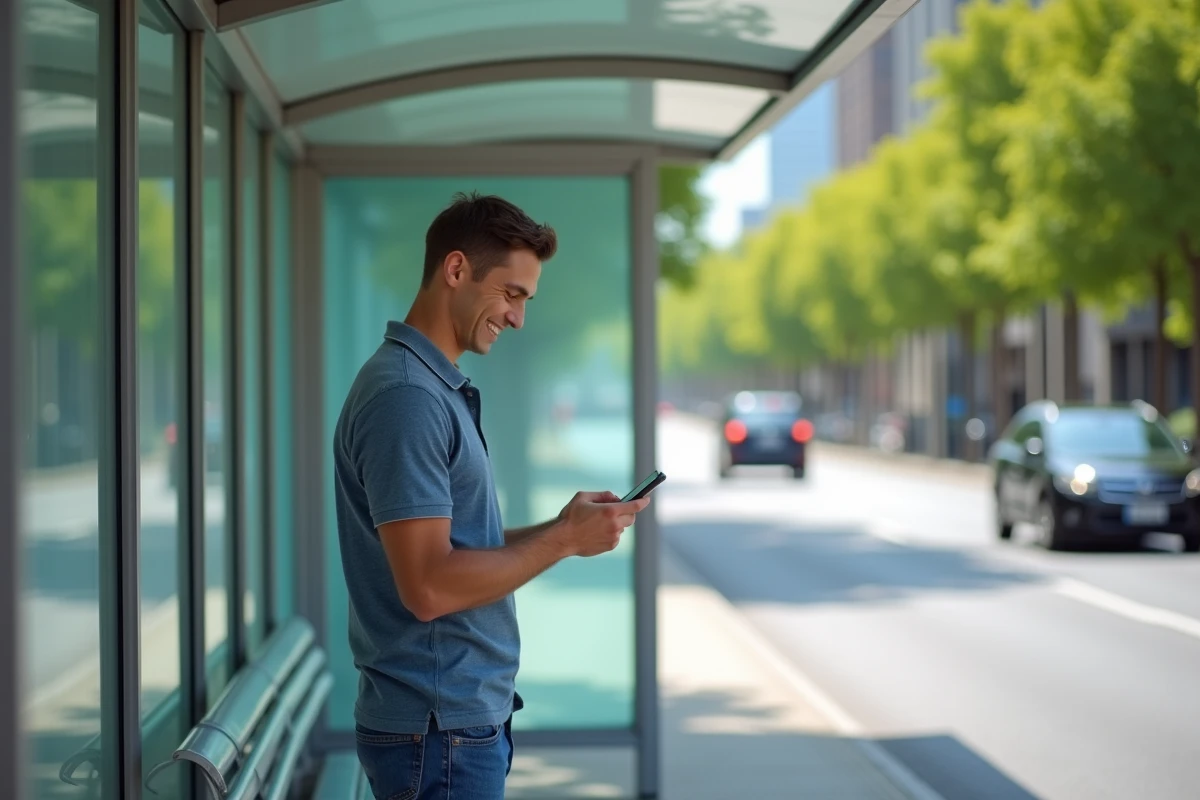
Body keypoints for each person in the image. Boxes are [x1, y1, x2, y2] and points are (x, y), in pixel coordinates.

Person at [332, 192, 651, 800]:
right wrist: (563, 542)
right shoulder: (408, 398)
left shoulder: (426, 388)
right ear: (456, 269)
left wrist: (562, 528)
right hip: (439, 730)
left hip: (447, 726)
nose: (519, 318)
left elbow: (454, 546)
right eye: (512, 293)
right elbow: (429, 586)